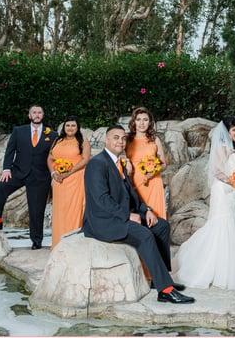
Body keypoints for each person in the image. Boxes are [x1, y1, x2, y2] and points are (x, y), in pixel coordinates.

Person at [82, 125, 194, 304]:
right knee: (144, 235)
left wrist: (146, 210)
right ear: (107, 140)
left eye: (123, 138)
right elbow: (101, 199)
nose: (120, 141)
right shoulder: (97, 163)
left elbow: (131, 194)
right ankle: (165, 290)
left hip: (118, 215)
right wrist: (127, 215)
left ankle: (161, 279)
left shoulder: (119, 162)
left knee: (162, 226)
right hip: (103, 221)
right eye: (116, 138)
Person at [173, 117, 235, 289]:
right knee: (223, 224)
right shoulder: (222, 149)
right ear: (226, 133)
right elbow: (217, 172)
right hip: (224, 191)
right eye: (234, 130)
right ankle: (217, 270)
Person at [0, 105, 58, 250]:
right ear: (29, 116)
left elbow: (56, 155)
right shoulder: (18, 131)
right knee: (0, 188)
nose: (37, 114)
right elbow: (10, 150)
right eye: (34, 112)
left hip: (40, 177)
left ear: (43, 115)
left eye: (39, 112)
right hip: (18, 171)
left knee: (36, 210)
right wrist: (6, 169)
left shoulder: (52, 135)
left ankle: (36, 241)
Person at [47, 116, 91, 248]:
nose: (70, 128)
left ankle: (72, 245)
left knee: (74, 210)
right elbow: (50, 158)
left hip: (75, 179)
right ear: (64, 127)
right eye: (68, 125)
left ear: (78, 128)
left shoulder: (83, 141)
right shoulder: (57, 140)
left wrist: (69, 173)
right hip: (58, 181)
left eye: (73, 125)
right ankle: (57, 243)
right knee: (59, 212)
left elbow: (85, 160)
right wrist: (53, 173)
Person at [125, 107, 168, 220]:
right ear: (134, 121)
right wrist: (127, 161)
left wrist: (152, 173)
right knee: (139, 214)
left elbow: (163, 164)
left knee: (156, 215)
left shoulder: (155, 139)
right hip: (135, 181)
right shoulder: (127, 140)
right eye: (138, 119)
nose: (142, 123)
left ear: (150, 122)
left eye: (145, 120)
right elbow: (120, 157)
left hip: (153, 182)